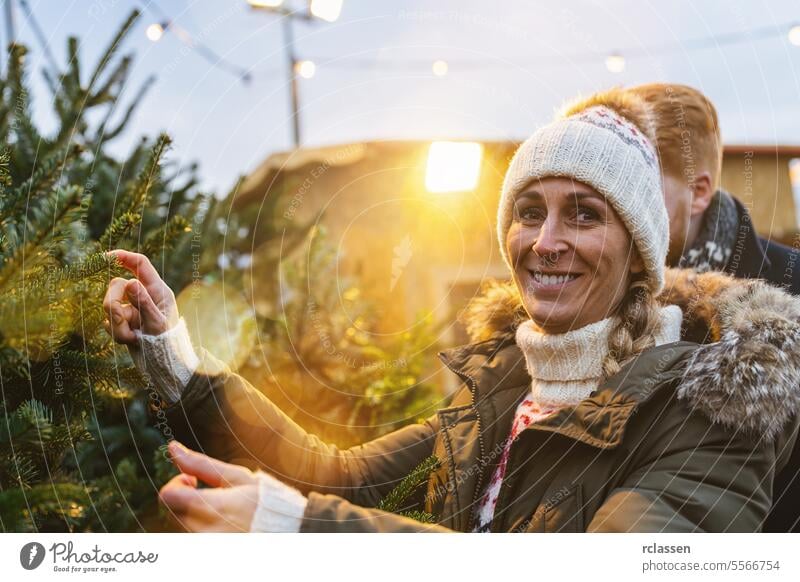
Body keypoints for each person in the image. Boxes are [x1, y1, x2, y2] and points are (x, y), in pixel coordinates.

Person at [104, 89, 800, 533]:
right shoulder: (504, 386)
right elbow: (337, 476)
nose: (546, 242)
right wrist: (174, 353)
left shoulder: (715, 406)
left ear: (640, 253)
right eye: (530, 212)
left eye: (583, 215)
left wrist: (302, 532)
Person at [628, 83, 800, 532]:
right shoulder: (600, 292)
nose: (617, 202)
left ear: (698, 191)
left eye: (635, 183)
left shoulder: (792, 286)